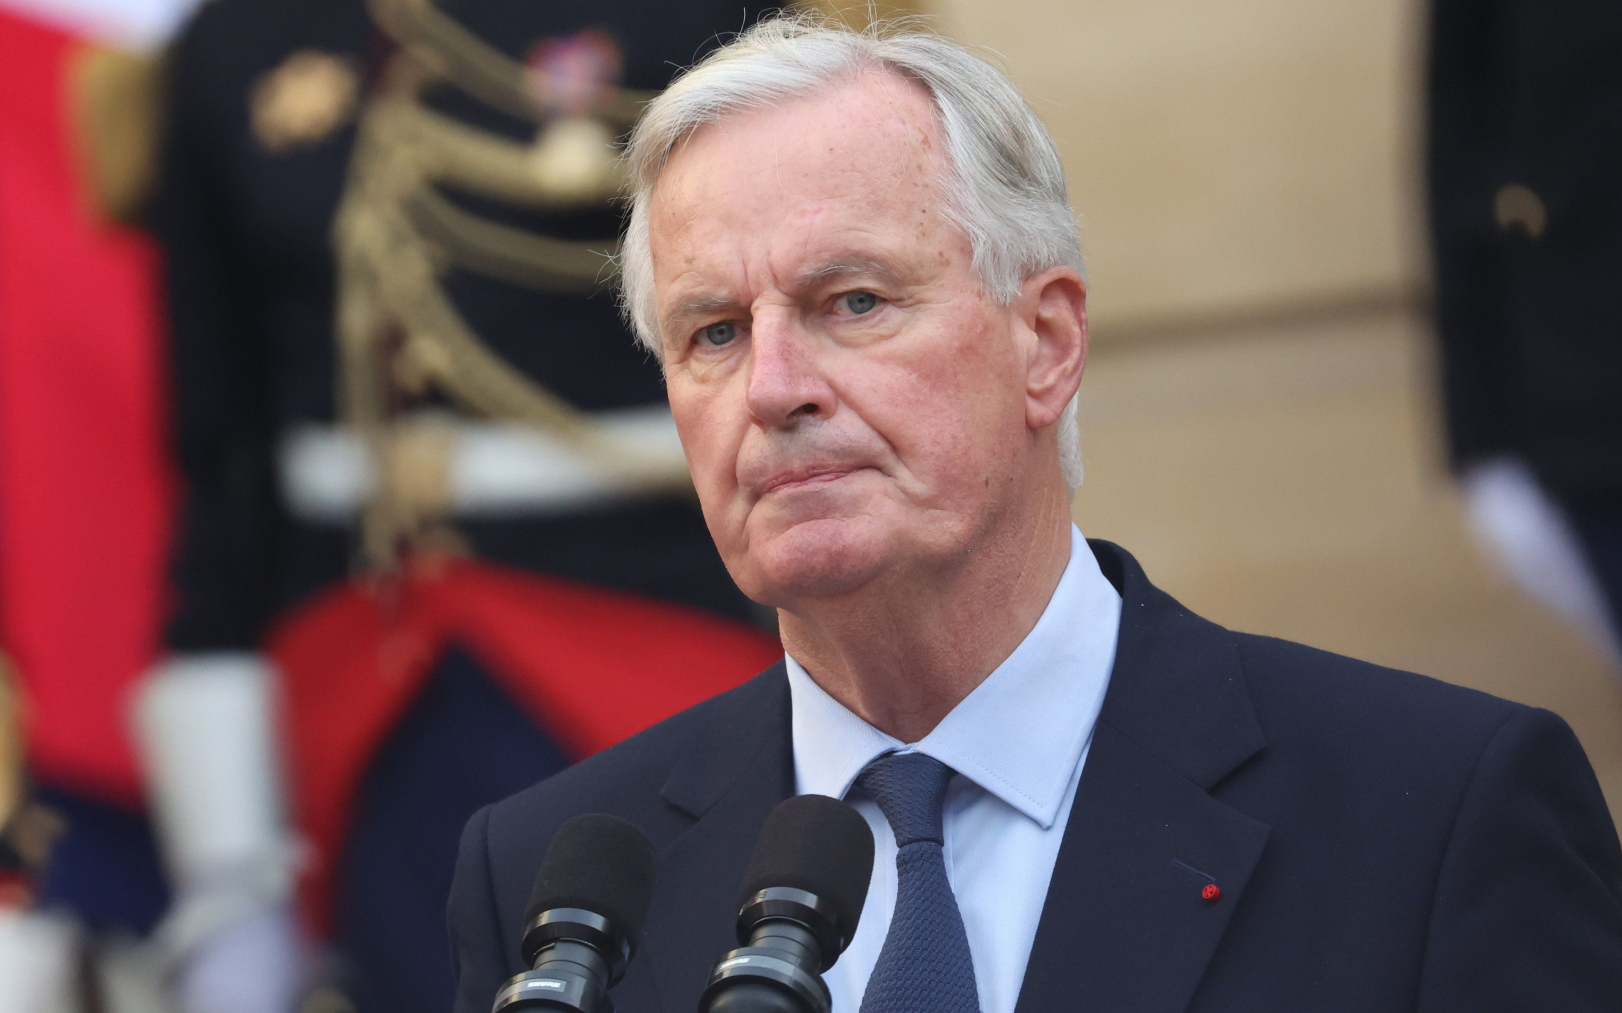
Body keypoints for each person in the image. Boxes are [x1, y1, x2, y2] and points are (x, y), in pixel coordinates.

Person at [448, 16, 1622, 1013]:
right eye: (713, 331)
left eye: (850, 300)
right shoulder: (557, 888)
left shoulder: (1434, 814)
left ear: (1045, 342)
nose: (771, 387)